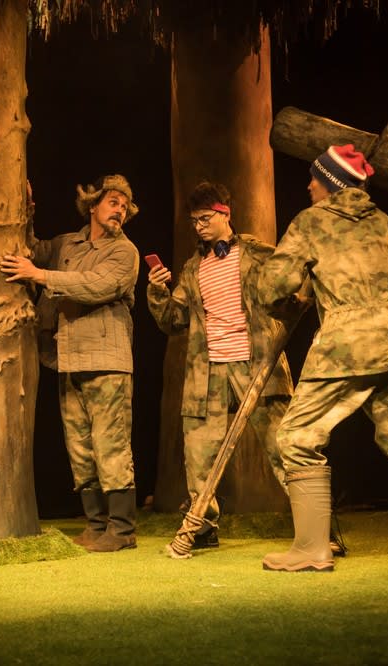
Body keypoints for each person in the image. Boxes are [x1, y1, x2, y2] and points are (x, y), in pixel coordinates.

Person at [258, 144, 388, 573]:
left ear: (330, 183)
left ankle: (312, 549)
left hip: (344, 347)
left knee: (295, 438)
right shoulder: (385, 222)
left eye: (315, 178)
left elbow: (272, 287)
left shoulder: (311, 221)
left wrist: (288, 305)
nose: (309, 186)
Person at [145, 181, 295, 549]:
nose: (198, 226)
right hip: (207, 370)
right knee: (198, 454)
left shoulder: (258, 254)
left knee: (285, 445)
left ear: (225, 214)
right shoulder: (193, 268)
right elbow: (173, 321)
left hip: (256, 363)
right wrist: (157, 291)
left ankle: (316, 527)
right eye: (194, 220)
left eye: (205, 218)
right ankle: (204, 528)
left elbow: (291, 287)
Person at [0, 174, 140, 552]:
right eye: (113, 202)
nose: (120, 211)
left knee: (110, 445)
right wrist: (26, 207)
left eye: (124, 206)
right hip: (68, 359)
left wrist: (40, 275)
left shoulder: (124, 252)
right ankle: (96, 525)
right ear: (92, 205)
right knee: (79, 448)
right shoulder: (67, 244)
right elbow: (29, 249)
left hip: (107, 361)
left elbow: (96, 285)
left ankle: (122, 530)